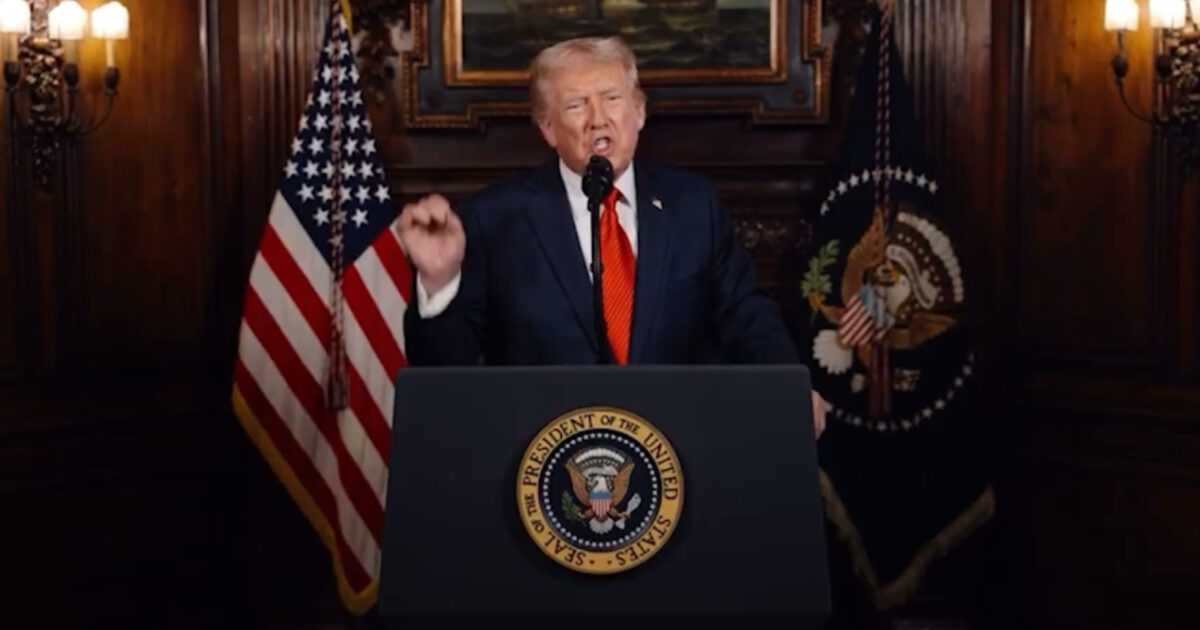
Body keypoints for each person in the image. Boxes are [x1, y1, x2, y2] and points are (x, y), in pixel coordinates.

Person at [392, 36, 826, 437]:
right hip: (539, 455)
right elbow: (445, 374)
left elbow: (747, 314)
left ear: (639, 110)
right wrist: (440, 283)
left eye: (613, 99)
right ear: (546, 127)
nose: (598, 120)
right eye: (576, 105)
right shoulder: (494, 217)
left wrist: (786, 386)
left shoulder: (692, 205)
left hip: (676, 448)